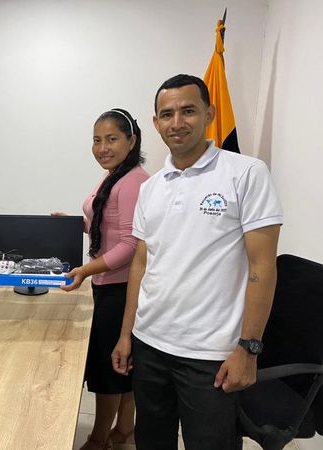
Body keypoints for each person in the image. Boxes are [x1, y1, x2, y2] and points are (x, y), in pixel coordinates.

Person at [111, 74, 283, 450]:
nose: (177, 122)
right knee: (151, 441)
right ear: (156, 123)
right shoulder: (151, 188)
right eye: (167, 114)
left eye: (188, 111)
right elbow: (141, 263)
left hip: (210, 355)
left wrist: (248, 348)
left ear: (209, 114)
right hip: (150, 344)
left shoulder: (246, 173)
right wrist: (126, 335)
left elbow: (263, 266)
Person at [59, 109, 149, 450]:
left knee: (110, 372)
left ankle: (99, 439)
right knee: (120, 367)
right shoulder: (114, 175)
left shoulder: (133, 182)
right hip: (108, 284)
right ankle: (124, 431)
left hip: (122, 288)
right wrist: (73, 225)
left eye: (112, 139)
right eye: (97, 140)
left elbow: (130, 245)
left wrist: (86, 270)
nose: (102, 148)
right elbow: (106, 224)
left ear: (131, 140)